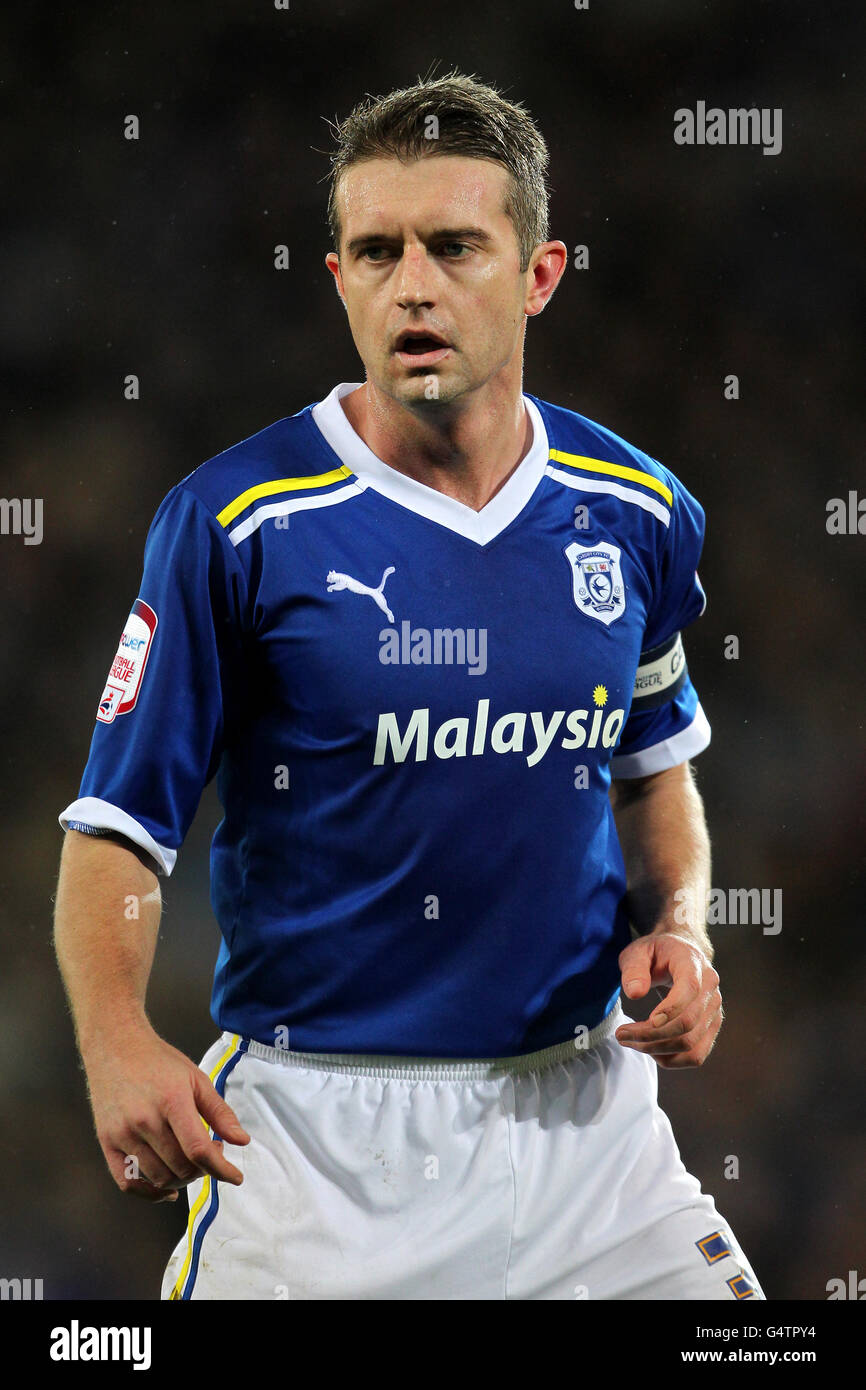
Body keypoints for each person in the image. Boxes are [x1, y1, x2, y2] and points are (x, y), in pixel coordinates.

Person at [53, 71, 765, 1301]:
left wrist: (684, 926)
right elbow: (116, 831)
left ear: (538, 273)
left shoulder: (637, 511)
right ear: (338, 280)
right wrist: (118, 1042)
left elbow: (653, 765)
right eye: (374, 252)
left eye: (452, 246)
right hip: (316, 1151)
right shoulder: (237, 524)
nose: (411, 285)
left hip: (587, 1133)